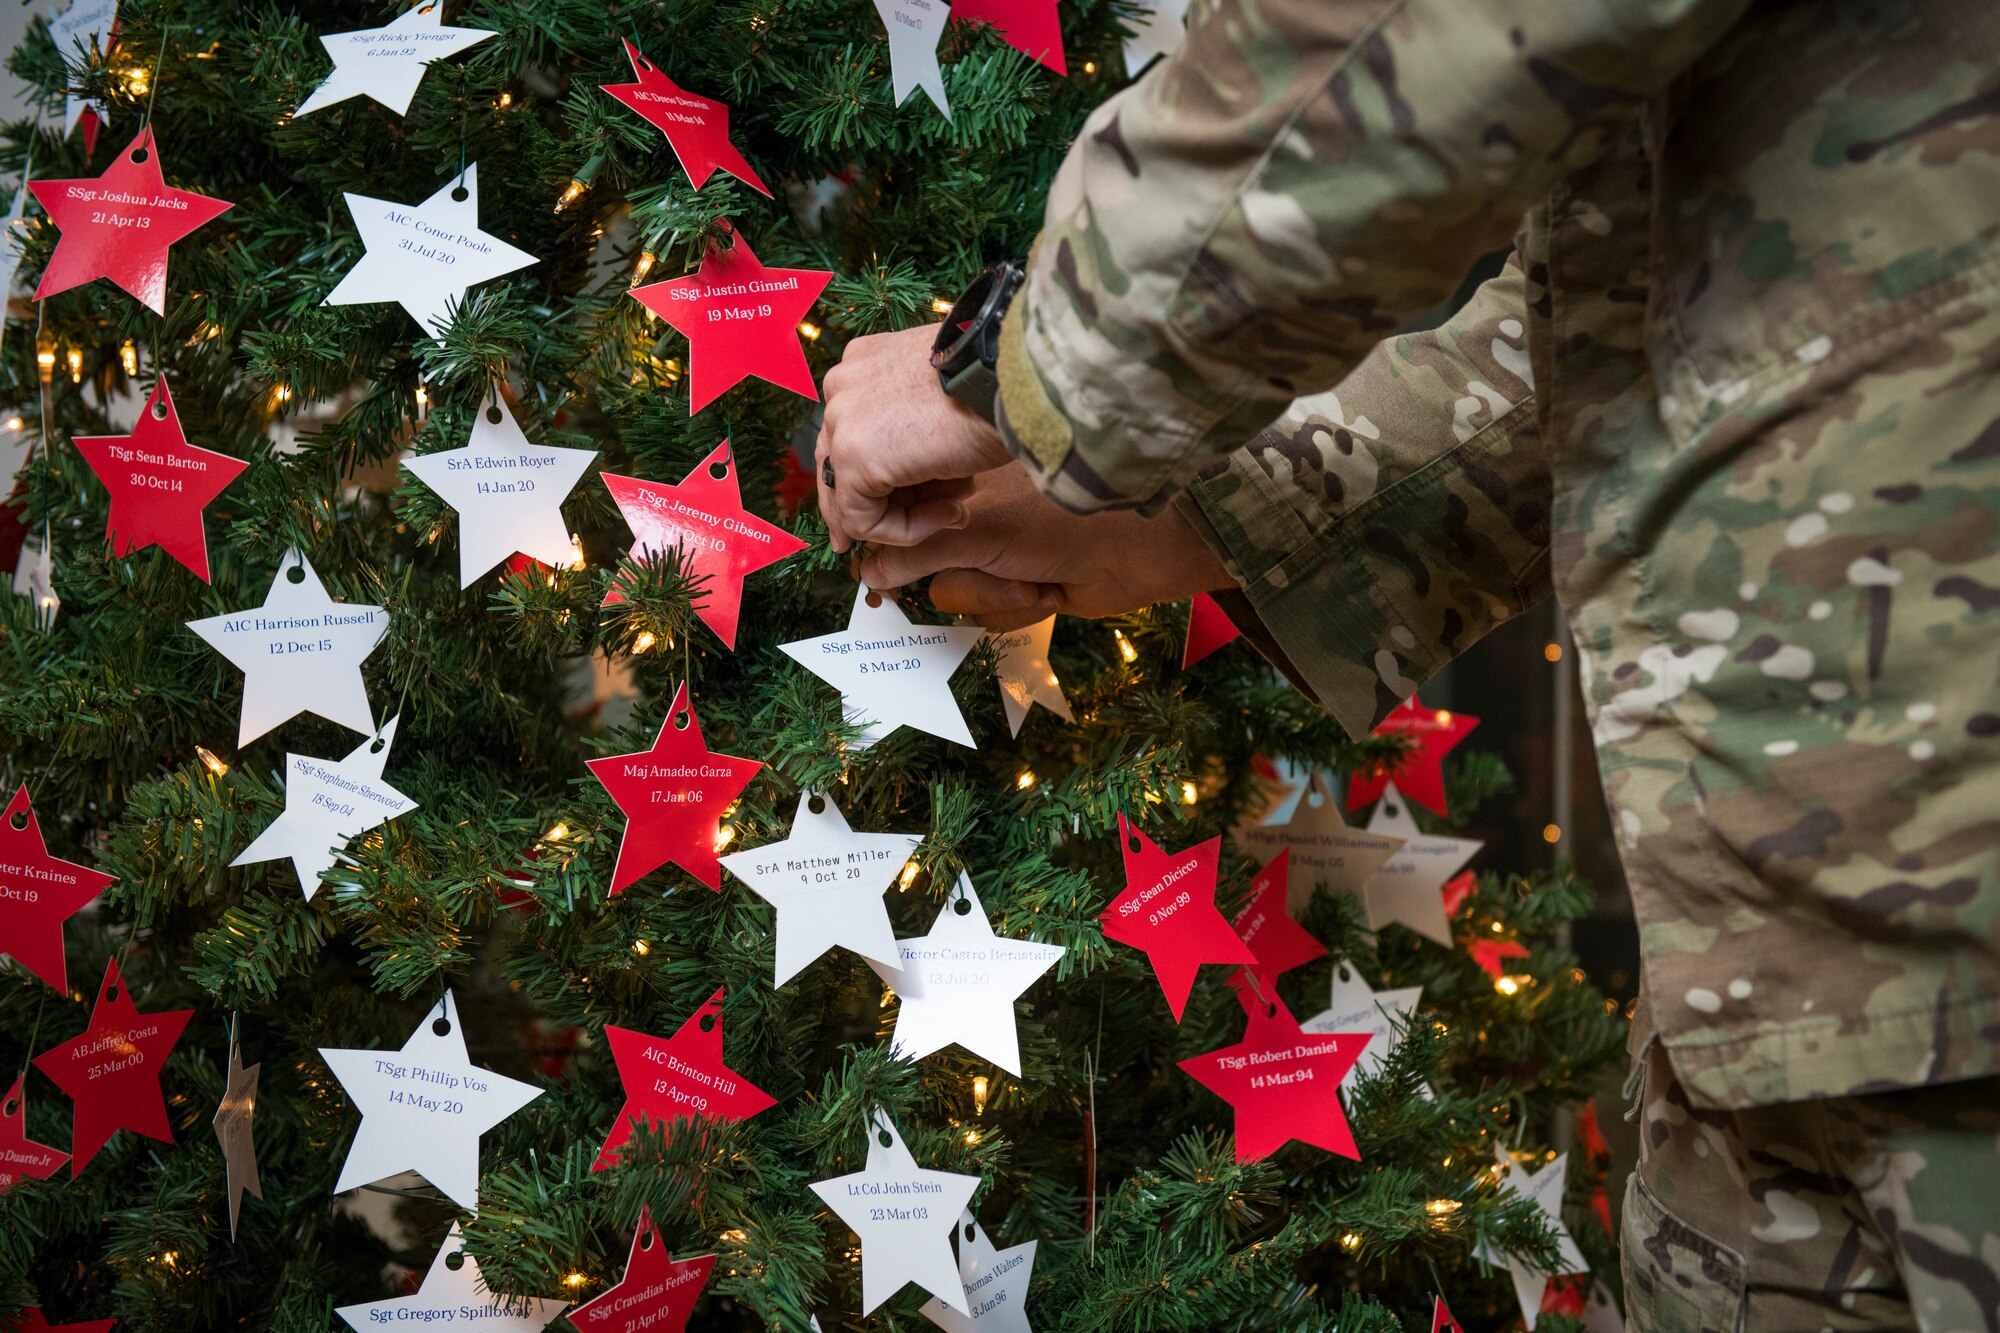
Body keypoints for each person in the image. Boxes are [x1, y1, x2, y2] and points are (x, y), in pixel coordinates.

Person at [812, 0, 2000, 1327]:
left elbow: (1417, 30)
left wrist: (1015, 362)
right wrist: (1215, 510)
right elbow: (1670, 286)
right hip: (1781, 985)